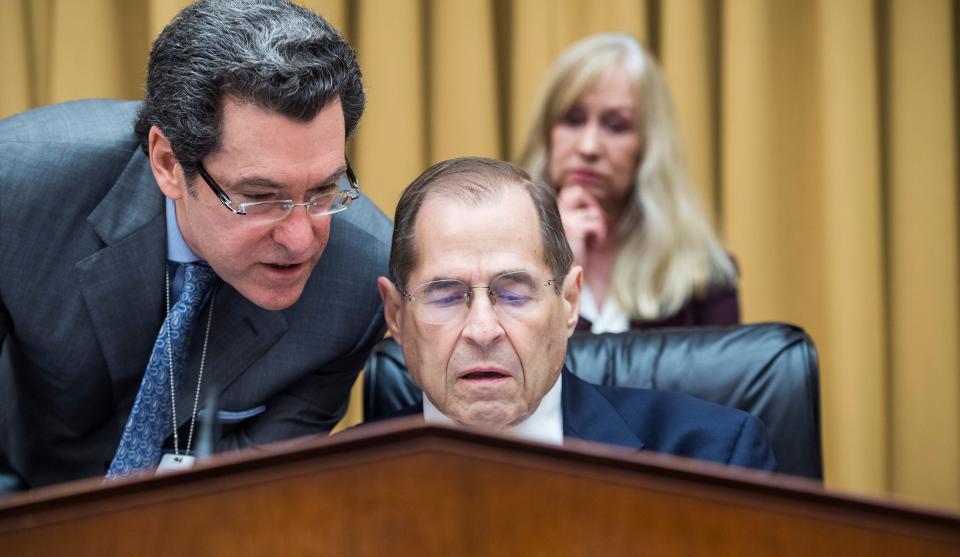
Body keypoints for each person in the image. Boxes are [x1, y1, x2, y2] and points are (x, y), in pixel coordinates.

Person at [0, 0, 392, 488]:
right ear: (166, 163)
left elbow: (247, 489)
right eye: (260, 197)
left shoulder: (361, 279)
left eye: (322, 191)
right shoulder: (16, 194)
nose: (299, 239)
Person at [375, 157, 775, 471]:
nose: (483, 330)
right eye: (445, 296)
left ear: (569, 303)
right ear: (395, 314)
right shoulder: (330, 485)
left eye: (513, 294)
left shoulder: (711, 459)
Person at [519, 34, 739, 333]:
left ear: (648, 146)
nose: (589, 147)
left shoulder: (703, 275)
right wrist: (561, 266)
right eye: (573, 119)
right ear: (547, 133)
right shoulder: (497, 260)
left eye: (616, 125)